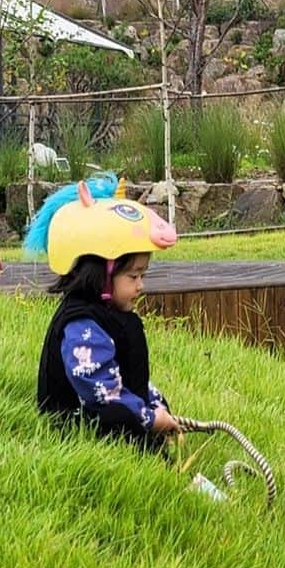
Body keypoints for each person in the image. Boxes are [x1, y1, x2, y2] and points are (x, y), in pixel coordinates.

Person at [25, 174, 180, 451]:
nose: (140, 285)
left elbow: (124, 377)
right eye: (133, 276)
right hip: (87, 438)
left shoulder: (107, 317)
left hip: (121, 429)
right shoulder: (82, 326)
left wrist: (156, 404)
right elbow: (101, 391)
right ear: (101, 276)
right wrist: (148, 417)